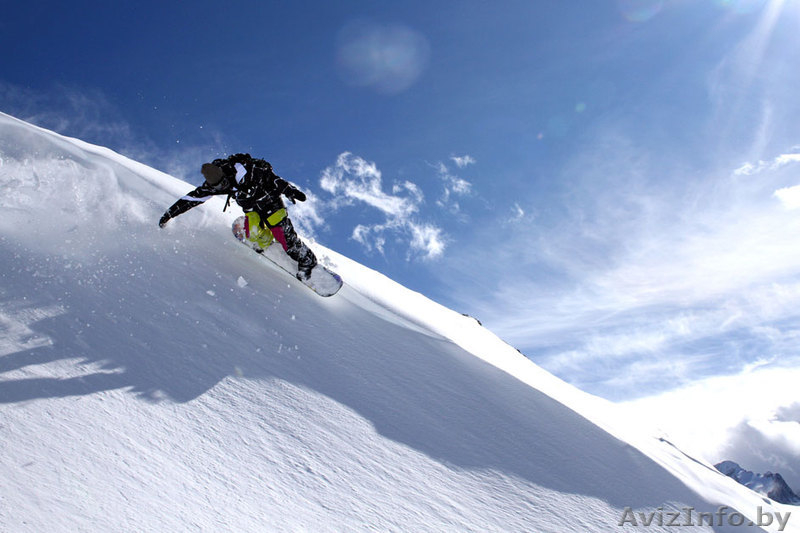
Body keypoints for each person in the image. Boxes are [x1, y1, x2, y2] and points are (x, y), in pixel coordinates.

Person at [158, 153, 318, 280]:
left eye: (223, 183)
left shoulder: (244, 170)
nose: (223, 187)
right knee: (253, 233)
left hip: (270, 202)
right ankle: (268, 243)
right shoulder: (213, 186)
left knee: (283, 234)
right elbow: (191, 199)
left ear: (224, 175)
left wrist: (290, 190)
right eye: (219, 187)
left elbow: (272, 178)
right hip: (252, 208)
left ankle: (307, 260)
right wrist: (169, 214)